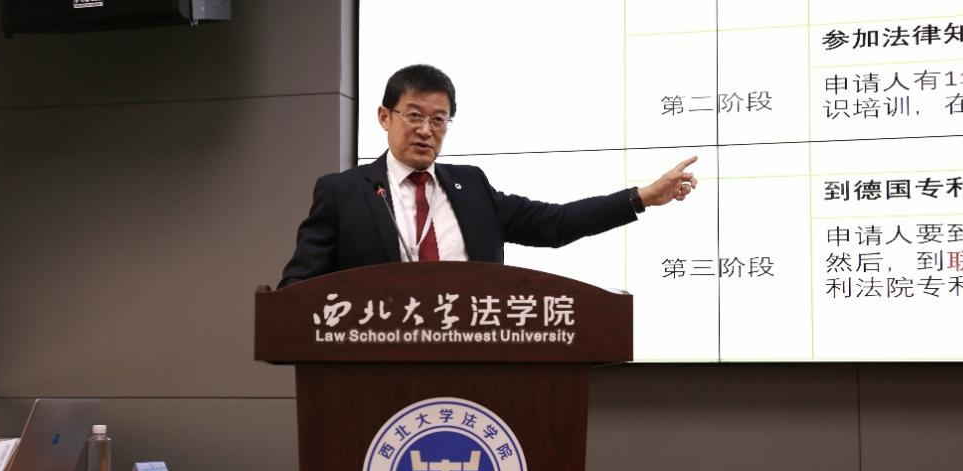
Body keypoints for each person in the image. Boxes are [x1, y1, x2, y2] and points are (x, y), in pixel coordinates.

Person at [278, 64, 697, 288]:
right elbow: (296, 289)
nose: (426, 130)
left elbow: (556, 223)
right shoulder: (343, 192)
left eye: (439, 119)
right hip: (374, 373)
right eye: (414, 116)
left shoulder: (472, 187)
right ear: (384, 117)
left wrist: (641, 196)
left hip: (474, 365)